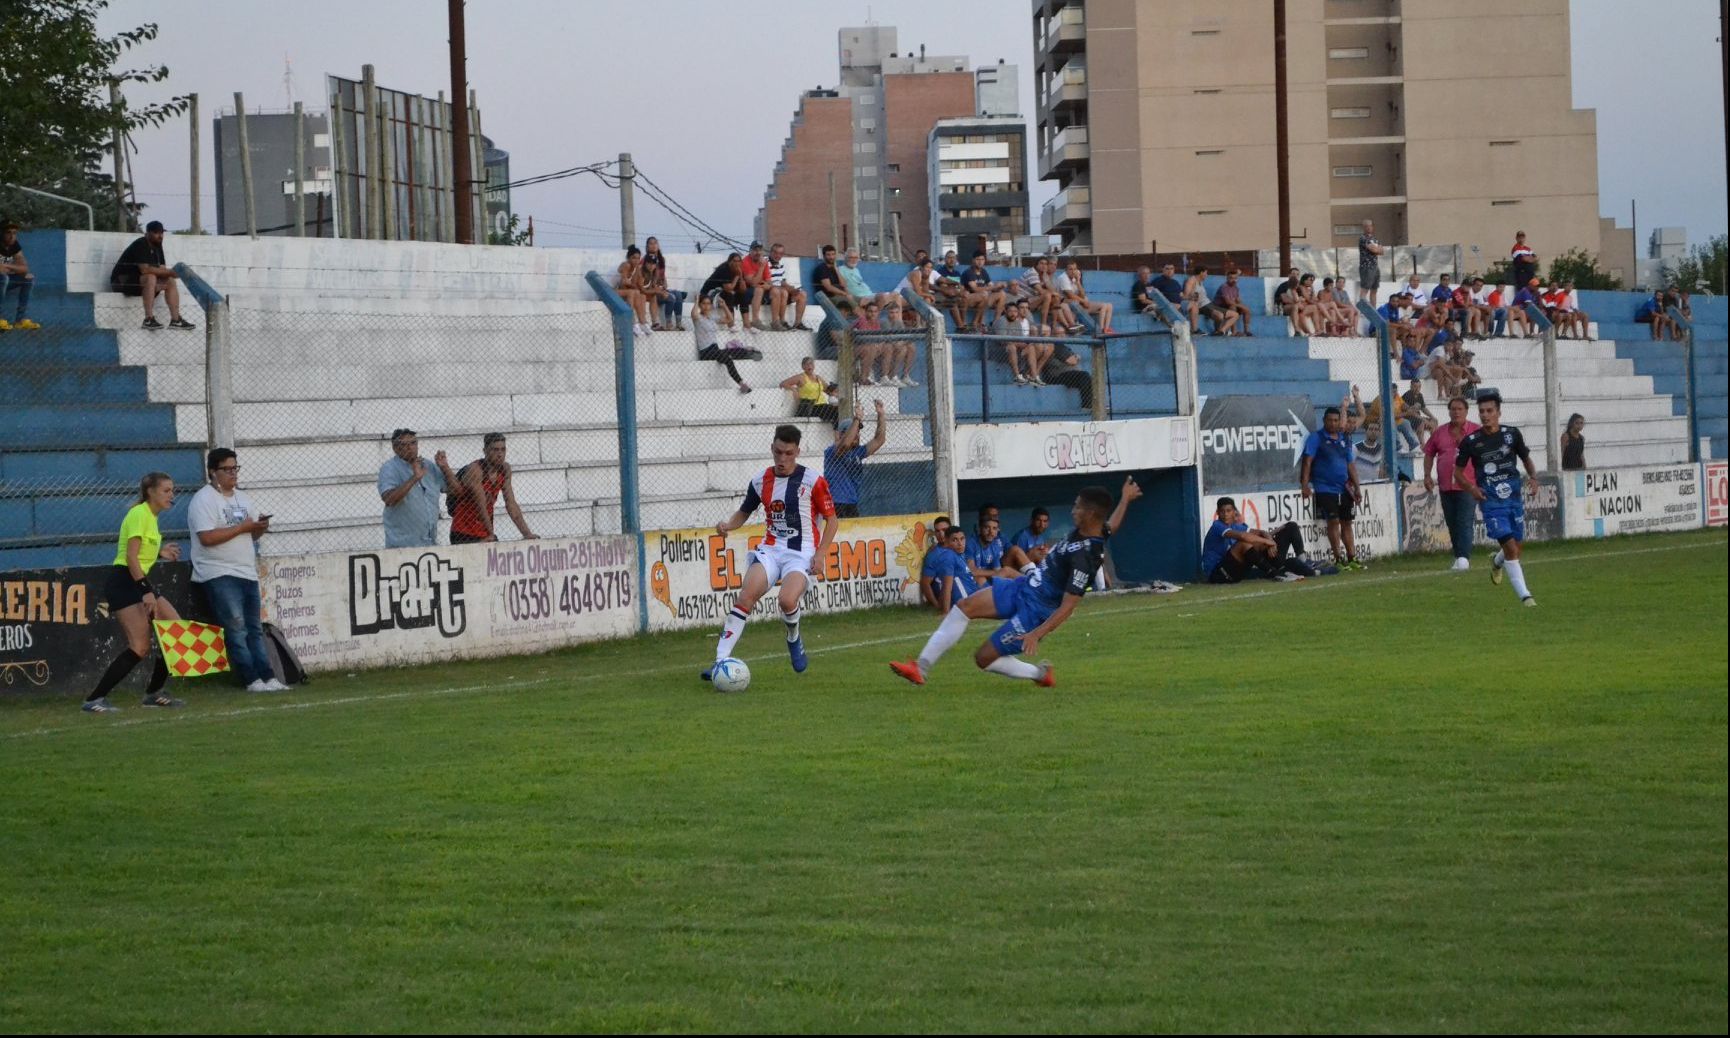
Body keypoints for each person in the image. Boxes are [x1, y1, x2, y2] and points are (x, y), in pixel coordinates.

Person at [889, 476, 1142, 687]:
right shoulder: (1094, 529)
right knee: (964, 607)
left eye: (1078, 507)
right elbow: (1111, 525)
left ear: (1091, 514)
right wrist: (1126, 498)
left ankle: (1040, 675)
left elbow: (1068, 606)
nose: (1073, 510)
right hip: (1024, 586)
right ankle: (920, 668)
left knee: (983, 658)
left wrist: (1036, 633)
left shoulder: (1085, 556)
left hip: (1036, 611)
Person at [703, 424, 840, 679]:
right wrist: (727, 525)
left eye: (788, 453)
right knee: (746, 597)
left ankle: (793, 637)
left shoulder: (813, 480)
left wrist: (821, 554)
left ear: (797, 451)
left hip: (801, 554)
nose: (782, 459)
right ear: (772, 449)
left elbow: (832, 520)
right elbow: (744, 511)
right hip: (771, 549)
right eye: (778, 452)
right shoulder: (760, 480)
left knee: (787, 600)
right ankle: (720, 661)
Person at [82, 473, 186, 712]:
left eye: (173, 490)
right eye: (167, 490)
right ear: (150, 492)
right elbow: (130, 557)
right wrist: (145, 591)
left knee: (175, 630)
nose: (172, 495)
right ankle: (94, 699)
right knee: (139, 647)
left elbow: (138, 553)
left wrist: (160, 553)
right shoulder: (139, 514)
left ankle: (154, 693)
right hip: (125, 583)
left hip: (136, 582)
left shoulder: (150, 517)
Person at [188, 448, 283, 694]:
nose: (233, 474)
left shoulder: (243, 498)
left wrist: (260, 526)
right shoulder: (203, 500)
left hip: (246, 571)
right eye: (227, 469)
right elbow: (207, 537)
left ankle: (268, 675)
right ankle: (250, 679)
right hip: (218, 572)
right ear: (212, 472)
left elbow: (252, 533)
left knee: (253, 627)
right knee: (236, 627)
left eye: (235, 468)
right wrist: (242, 527)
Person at [1453, 390, 1540, 606]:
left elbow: (1526, 458)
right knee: (1511, 548)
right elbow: (1457, 473)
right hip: (1490, 501)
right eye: (1481, 411)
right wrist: (1472, 489)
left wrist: (1533, 478)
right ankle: (1525, 596)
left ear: (1498, 412)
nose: (1485, 415)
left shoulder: (1511, 434)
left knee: (1515, 549)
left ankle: (1497, 561)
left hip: (1514, 497)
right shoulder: (1471, 441)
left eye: (1489, 410)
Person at [1300, 406, 1365, 570]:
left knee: (1347, 523)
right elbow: (1307, 461)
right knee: (1333, 522)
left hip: (1344, 489)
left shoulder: (1344, 440)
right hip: (1325, 488)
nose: (1333, 423)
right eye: (1330, 420)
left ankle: (1352, 558)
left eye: (1336, 420)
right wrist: (1305, 484)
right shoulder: (1316, 438)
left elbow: (1350, 464)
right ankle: (1338, 559)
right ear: (1324, 421)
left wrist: (1357, 487)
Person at [1423, 396, 1480, 571]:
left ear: (1466, 411)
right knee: (1452, 522)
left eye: (1459, 409)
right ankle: (1459, 556)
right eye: (1453, 409)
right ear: (1448, 411)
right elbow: (1429, 453)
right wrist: (1427, 475)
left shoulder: (1476, 432)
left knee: (1464, 520)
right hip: (1446, 485)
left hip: (1467, 484)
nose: (1456, 412)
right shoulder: (1440, 432)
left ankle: (1464, 558)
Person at [449, 433, 538, 544]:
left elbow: (511, 504)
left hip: (484, 531)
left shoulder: (505, 469)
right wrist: (491, 534)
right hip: (463, 532)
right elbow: (481, 506)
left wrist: (527, 534)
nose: (500, 454)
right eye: (495, 450)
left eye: (503, 449)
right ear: (485, 451)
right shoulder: (476, 470)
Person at [377, 428, 458, 548]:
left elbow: (454, 490)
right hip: (402, 546)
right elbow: (389, 499)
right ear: (395, 448)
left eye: (413, 443)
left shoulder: (428, 465)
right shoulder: (389, 468)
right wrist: (415, 478)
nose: (410, 447)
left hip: (429, 543)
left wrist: (445, 467)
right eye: (404, 445)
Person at [1200, 497, 1310, 583]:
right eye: (1222, 511)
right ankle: (1277, 573)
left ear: (1234, 512)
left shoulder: (1235, 526)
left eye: (1228, 511)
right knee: (1244, 543)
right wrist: (1268, 542)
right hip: (1217, 574)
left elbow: (1261, 532)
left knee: (1286, 528)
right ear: (1217, 513)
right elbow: (1243, 537)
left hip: (1234, 572)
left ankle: (1284, 569)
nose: (1225, 514)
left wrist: (1269, 541)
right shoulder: (1217, 526)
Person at [110, 220, 195, 330]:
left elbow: (162, 270)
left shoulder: (157, 245)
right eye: (156, 233)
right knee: (150, 277)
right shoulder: (140, 244)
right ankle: (148, 319)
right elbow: (144, 269)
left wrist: (174, 274)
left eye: (161, 233)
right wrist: (170, 272)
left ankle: (176, 320)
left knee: (169, 281)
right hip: (121, 282)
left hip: (140, 284)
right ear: (147, 233)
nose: (160, 236)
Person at [823, 400, 887, 518]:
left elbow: (879, 440)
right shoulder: (833, 451)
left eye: (858, 432)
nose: (857, 435)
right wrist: (857, 419)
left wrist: (881, 415)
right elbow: (845, 444)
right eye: (854, 432)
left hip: (852, 502)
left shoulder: (858, 452)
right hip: (835, 503)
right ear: (842, 434)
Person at [692, 295, 754, 394]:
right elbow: (694, 314)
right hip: (705, 351)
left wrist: (724, 306)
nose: (706, 306)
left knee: (736, 351)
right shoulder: (698, 318)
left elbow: (730, 320)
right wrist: (696, 300)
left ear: (711, 305)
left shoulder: (712, 317)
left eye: (708, 304)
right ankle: (742, 384)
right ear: (700, 305)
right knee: (728, 359)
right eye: (703, 303)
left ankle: (749, 353)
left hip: (715, 349)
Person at [925, 526, 979, 614]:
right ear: (946, 541)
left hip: (972, 599)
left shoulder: (958, 555)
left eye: (962, 539)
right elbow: (947, 587)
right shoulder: (948, 557)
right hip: (965, 604)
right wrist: (945, 612)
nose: (960, 543)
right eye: (954, 540)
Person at [0, 222, 39, 330]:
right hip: (3, 279)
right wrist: (13, 268)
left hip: (4, 281)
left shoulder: (14, 246)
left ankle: (20, 320)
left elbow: (24, 269)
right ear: (2, 233)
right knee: (3, 277)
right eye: (8, 233)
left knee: (28, 279)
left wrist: (7, 266)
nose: (12, 236)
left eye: (14, 233)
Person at [642, 236, 685, 330]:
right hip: (652, 290)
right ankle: (668, 323)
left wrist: (665, 284)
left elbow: (662, 274)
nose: (653, 245)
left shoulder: (662, 259)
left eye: (655, 243)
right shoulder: (645, 260)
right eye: (651, 243)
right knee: (671, 297)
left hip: (660, 287)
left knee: (678, 295)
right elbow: (648, 280)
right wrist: (659, 289)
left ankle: (678, 324)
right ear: (647, 246)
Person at [699, 253, 752, 330]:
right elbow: (729, 288)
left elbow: (743, 290)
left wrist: (740, 276)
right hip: (709, 294)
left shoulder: (739, 270)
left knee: (743, 295)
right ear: (729, 262)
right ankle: (731, 324)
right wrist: (737, 277)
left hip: (722, 294)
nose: (737, 263)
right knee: (729, 294)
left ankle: (747, 325)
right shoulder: (724, 269)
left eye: (739, 261)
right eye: (735, 261)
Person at [782, 356, 838, 426]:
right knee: (836, 411)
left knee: (838, 409)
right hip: (812, 406)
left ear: (814, 366)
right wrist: (793, 389)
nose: (809, 366)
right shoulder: (801, 377)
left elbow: (827, 389)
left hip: (823, 405)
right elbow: (783, 383)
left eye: (811, 364)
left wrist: (835, 393)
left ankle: (839, 430)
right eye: (807, 364)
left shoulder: (818, 378)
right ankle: (838, 431)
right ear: (803, 367)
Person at [765, 243, 808, 331]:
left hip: (780, 289)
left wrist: (791, 289)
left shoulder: (780, 264)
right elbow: (766, 282)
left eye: (780, 253)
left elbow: (782, 282)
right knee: (783, 291)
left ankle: (798, 323)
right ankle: (781, 321)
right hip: (770, 292)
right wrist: (786, 288)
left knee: (802, 294)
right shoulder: (764, 262)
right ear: (771, 252)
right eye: (776, 253)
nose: (778, 256)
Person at [615, 245, 655, 335]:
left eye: (638, 258)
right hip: (614, 291)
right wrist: (631, 285)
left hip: (626, 291)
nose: (636, 261)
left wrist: (633, 285)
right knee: (633, 292)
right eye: (634, 258)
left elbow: (634, 284)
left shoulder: (637, 268)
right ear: (628, 258)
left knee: (642, 295)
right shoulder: (626, 265)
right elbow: (623, 283)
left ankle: (643, 323)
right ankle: (632, 322)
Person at [740, 242, 774, 330]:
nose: (758, 253)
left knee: (779, 292)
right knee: (759, 289)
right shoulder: (745, 261)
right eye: (755, 250)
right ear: (750, 251)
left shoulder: (764, 262)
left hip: (760, 288)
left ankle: (777, 321)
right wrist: (761, 268)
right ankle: (755, 320)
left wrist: (767, 285)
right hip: (746, 291)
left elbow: (769, 282)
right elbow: (753, 283)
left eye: (760, 250)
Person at [811, 244, 853, 314]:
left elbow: (844, 285)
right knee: (854, 305)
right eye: (828, 255)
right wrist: (845, 294)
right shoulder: (822, 268)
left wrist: (836, 270)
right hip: (829, 298)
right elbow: (828, 287)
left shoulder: (834, 268)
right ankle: (863, 324)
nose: (831, 257)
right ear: (824, 256)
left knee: (865, 301)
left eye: (833, 254)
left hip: (839, 296)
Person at [1212, 271, 1253, 337]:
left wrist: (1243, 307)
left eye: (1235, 278)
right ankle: (1234, 332)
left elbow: (1238, 300)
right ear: (1227, 278)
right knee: (1232, 307)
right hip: (1220, 308)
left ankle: (1246, 331)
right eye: (1231, 278)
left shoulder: (1236, 288)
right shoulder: (1224, 287)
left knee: (1246, 309)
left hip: (1228, 306)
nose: (1233, 280)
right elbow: (1228, 302)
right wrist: (1240, 305)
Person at [1357, 219, 1384, 304]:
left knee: (1374, 289)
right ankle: (1363, 309)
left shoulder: (1375, 239)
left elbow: (1381, 251)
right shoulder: (1363, 238)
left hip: (1375, 266)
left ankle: (1374, 310)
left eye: (1370, 226)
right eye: (1366, 226)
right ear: (1363, 227)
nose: (1368, 228)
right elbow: (1374, 250)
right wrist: (1376, 249)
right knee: (1365, 289)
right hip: (1366, 267)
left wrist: (1376, 249)